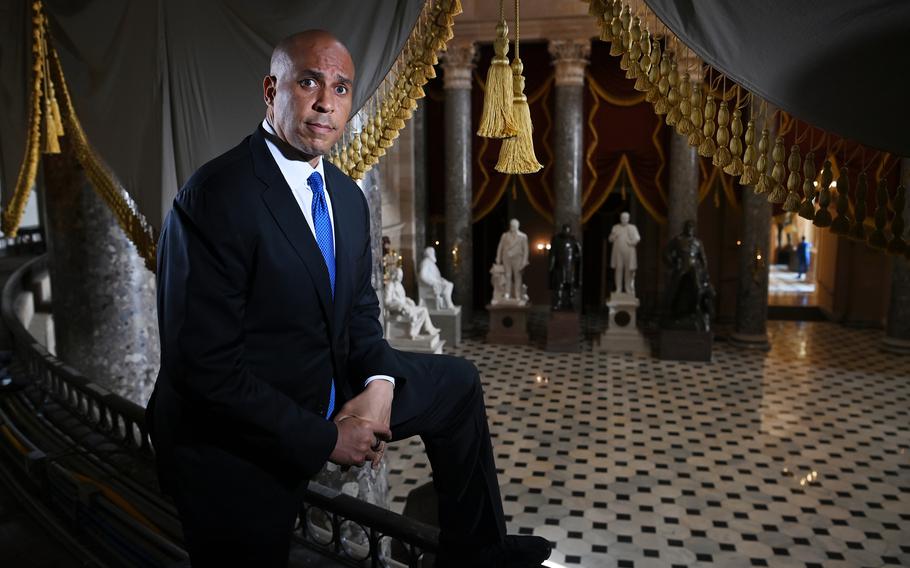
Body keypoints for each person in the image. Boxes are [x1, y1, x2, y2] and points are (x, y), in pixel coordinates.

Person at [146, 30, 550, 568]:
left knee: (457, 385)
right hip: (233, 432)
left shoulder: (344, 196)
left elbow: (361, 312)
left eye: (340, 88)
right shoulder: (215, 198)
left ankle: (480, 550)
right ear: (272, 90)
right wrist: (323, 440)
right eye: (309, 82)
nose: (325, 103)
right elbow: (204, 370)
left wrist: (380, 386)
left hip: (328, 384)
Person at [663, 220, 714, 332]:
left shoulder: (697, 242)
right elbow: (666, 252)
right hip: (681, 267)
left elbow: (703, 258)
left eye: (692, 228)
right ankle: (672, 310)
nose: (690, 230)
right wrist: (673, 262)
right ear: (685, 228)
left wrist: (704, 271)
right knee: (675, 288)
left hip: (694, 267)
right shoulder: (678, 240)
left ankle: (695, 310)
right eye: (688, 227)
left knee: (697, 288)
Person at [385, 267, 440, 339]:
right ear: (394, 275)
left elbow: (402, 298)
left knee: (423, 310)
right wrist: (399, 305)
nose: (400, 277)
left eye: (401, 275)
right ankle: (411, 334)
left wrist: (408, 300)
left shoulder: (399, 285)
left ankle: (427, 329)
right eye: (398, 275)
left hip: (404, 307)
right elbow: (387, 302)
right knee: (414, 313)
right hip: (397, 309)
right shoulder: (390, 285)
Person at [495, 219, 530, 303]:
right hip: (506, 257)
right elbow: (500, 247)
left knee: (518, 277)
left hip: (518, 258)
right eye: (511, 225)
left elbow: (526, 250)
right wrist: (498, 257)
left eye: (514, 226)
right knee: (507, 276)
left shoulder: (523, 236)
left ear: (518, 226)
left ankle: (518, 294)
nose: (512, 227)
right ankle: (507, 293)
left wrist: (524, 261)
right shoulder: (505, 235)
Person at [548, 224, 581, 311]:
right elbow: (553, 253)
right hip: (559, 266)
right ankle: (558, 303)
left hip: (570, 266)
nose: (566, 232)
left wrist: (576, 257)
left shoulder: (573, 240)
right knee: (559, 285)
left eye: (568, 230)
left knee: (571, 286)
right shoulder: (556, 239)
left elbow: (578, 253)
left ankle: (570, 303)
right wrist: (551, 265)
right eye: (565, 230)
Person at [608, 212, 640, 295]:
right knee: (618, 269)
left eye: (626, 218)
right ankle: (618, 288)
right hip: (618, 252)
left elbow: (637, 238)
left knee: (628, 271)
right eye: (622, 218)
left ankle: (628, 288)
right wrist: (614, 236)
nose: (624, 220)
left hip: (629, 251)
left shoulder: (632, 227)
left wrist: (632, 242)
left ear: (628, 219)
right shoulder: (616, 227)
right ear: (620, 218)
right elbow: (610, 239)